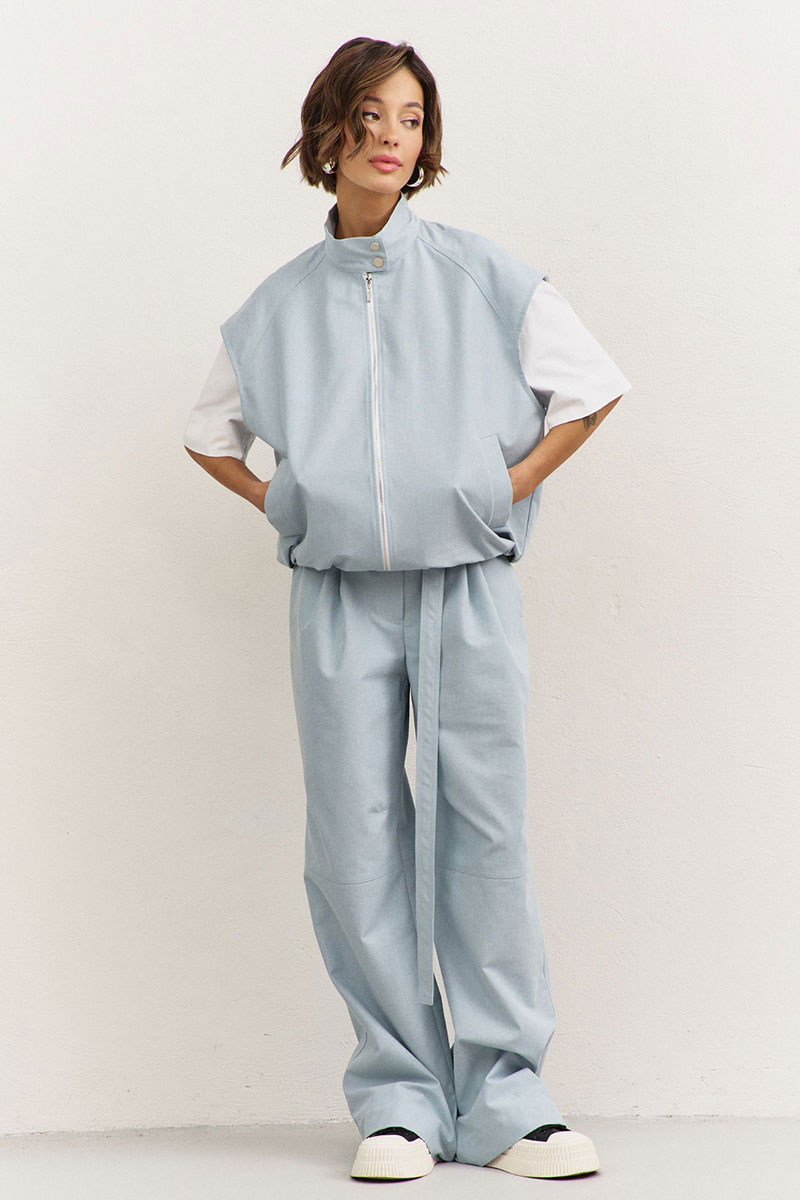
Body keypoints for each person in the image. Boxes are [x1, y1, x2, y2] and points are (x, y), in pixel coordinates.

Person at [183, 36, 630, 1183]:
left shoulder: (483, 274)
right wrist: (289, 500)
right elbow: (207, 433)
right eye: (371, 114)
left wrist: (501, 488)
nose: (392, 135)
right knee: (354, 840)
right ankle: (397, 1099)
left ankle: (507, 1100)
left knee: (482, 831)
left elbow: (588, 390)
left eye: (413, 118)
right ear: (327, 129)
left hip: (465, 584)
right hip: (337, 596)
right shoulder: (278, 306)